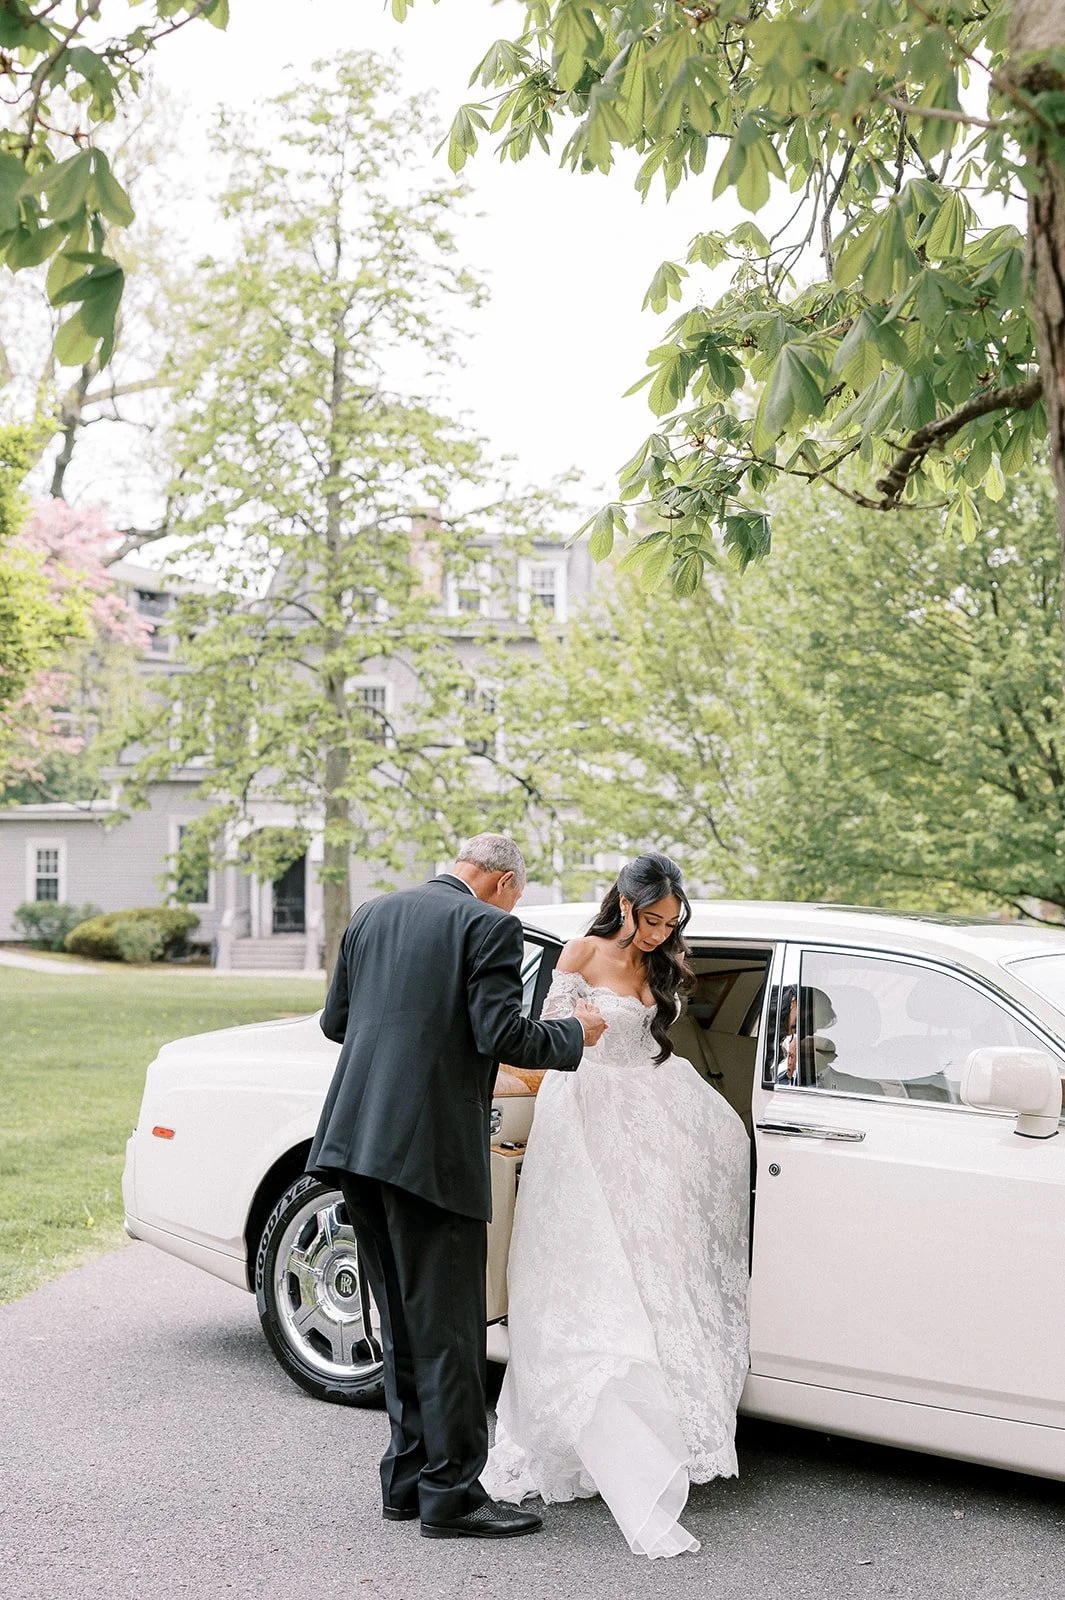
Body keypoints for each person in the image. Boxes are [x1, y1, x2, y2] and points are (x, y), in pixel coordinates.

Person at [306, 834, 607, 1541]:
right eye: (517, 893)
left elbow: (336, 1024)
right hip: (430, 1154)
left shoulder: (374, 914)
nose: (514, 904)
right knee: (447, 1333)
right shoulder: (488, 925)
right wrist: (574, 1034)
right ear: (502, 882)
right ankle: (453, 1497)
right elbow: (502, 1031)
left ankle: (406, 1481)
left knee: (403, 1327)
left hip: (356, 1147)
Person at [482, 853, 750, 1558]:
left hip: (655, 1116)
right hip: (587, 1113)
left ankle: (660, 1424)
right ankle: (587, 1434)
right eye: (652, 919)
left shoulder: (663, 965)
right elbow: (539, 1039)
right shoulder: (581, 950)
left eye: (671, 923)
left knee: (659, 1267)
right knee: (592, 1271)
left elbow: (657, 1039)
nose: (661, 934)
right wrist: (500, 1089)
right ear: (624, 905)